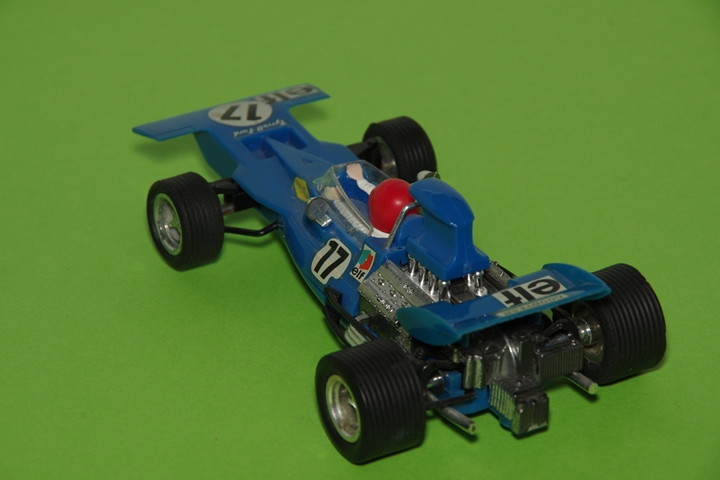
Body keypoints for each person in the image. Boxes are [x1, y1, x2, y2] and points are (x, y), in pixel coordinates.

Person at [345, 163, 419, 236]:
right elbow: (382, 193)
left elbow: (348, 214)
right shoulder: (414, 227)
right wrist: (361, 180)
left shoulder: (369, 232)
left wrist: (337, 199)